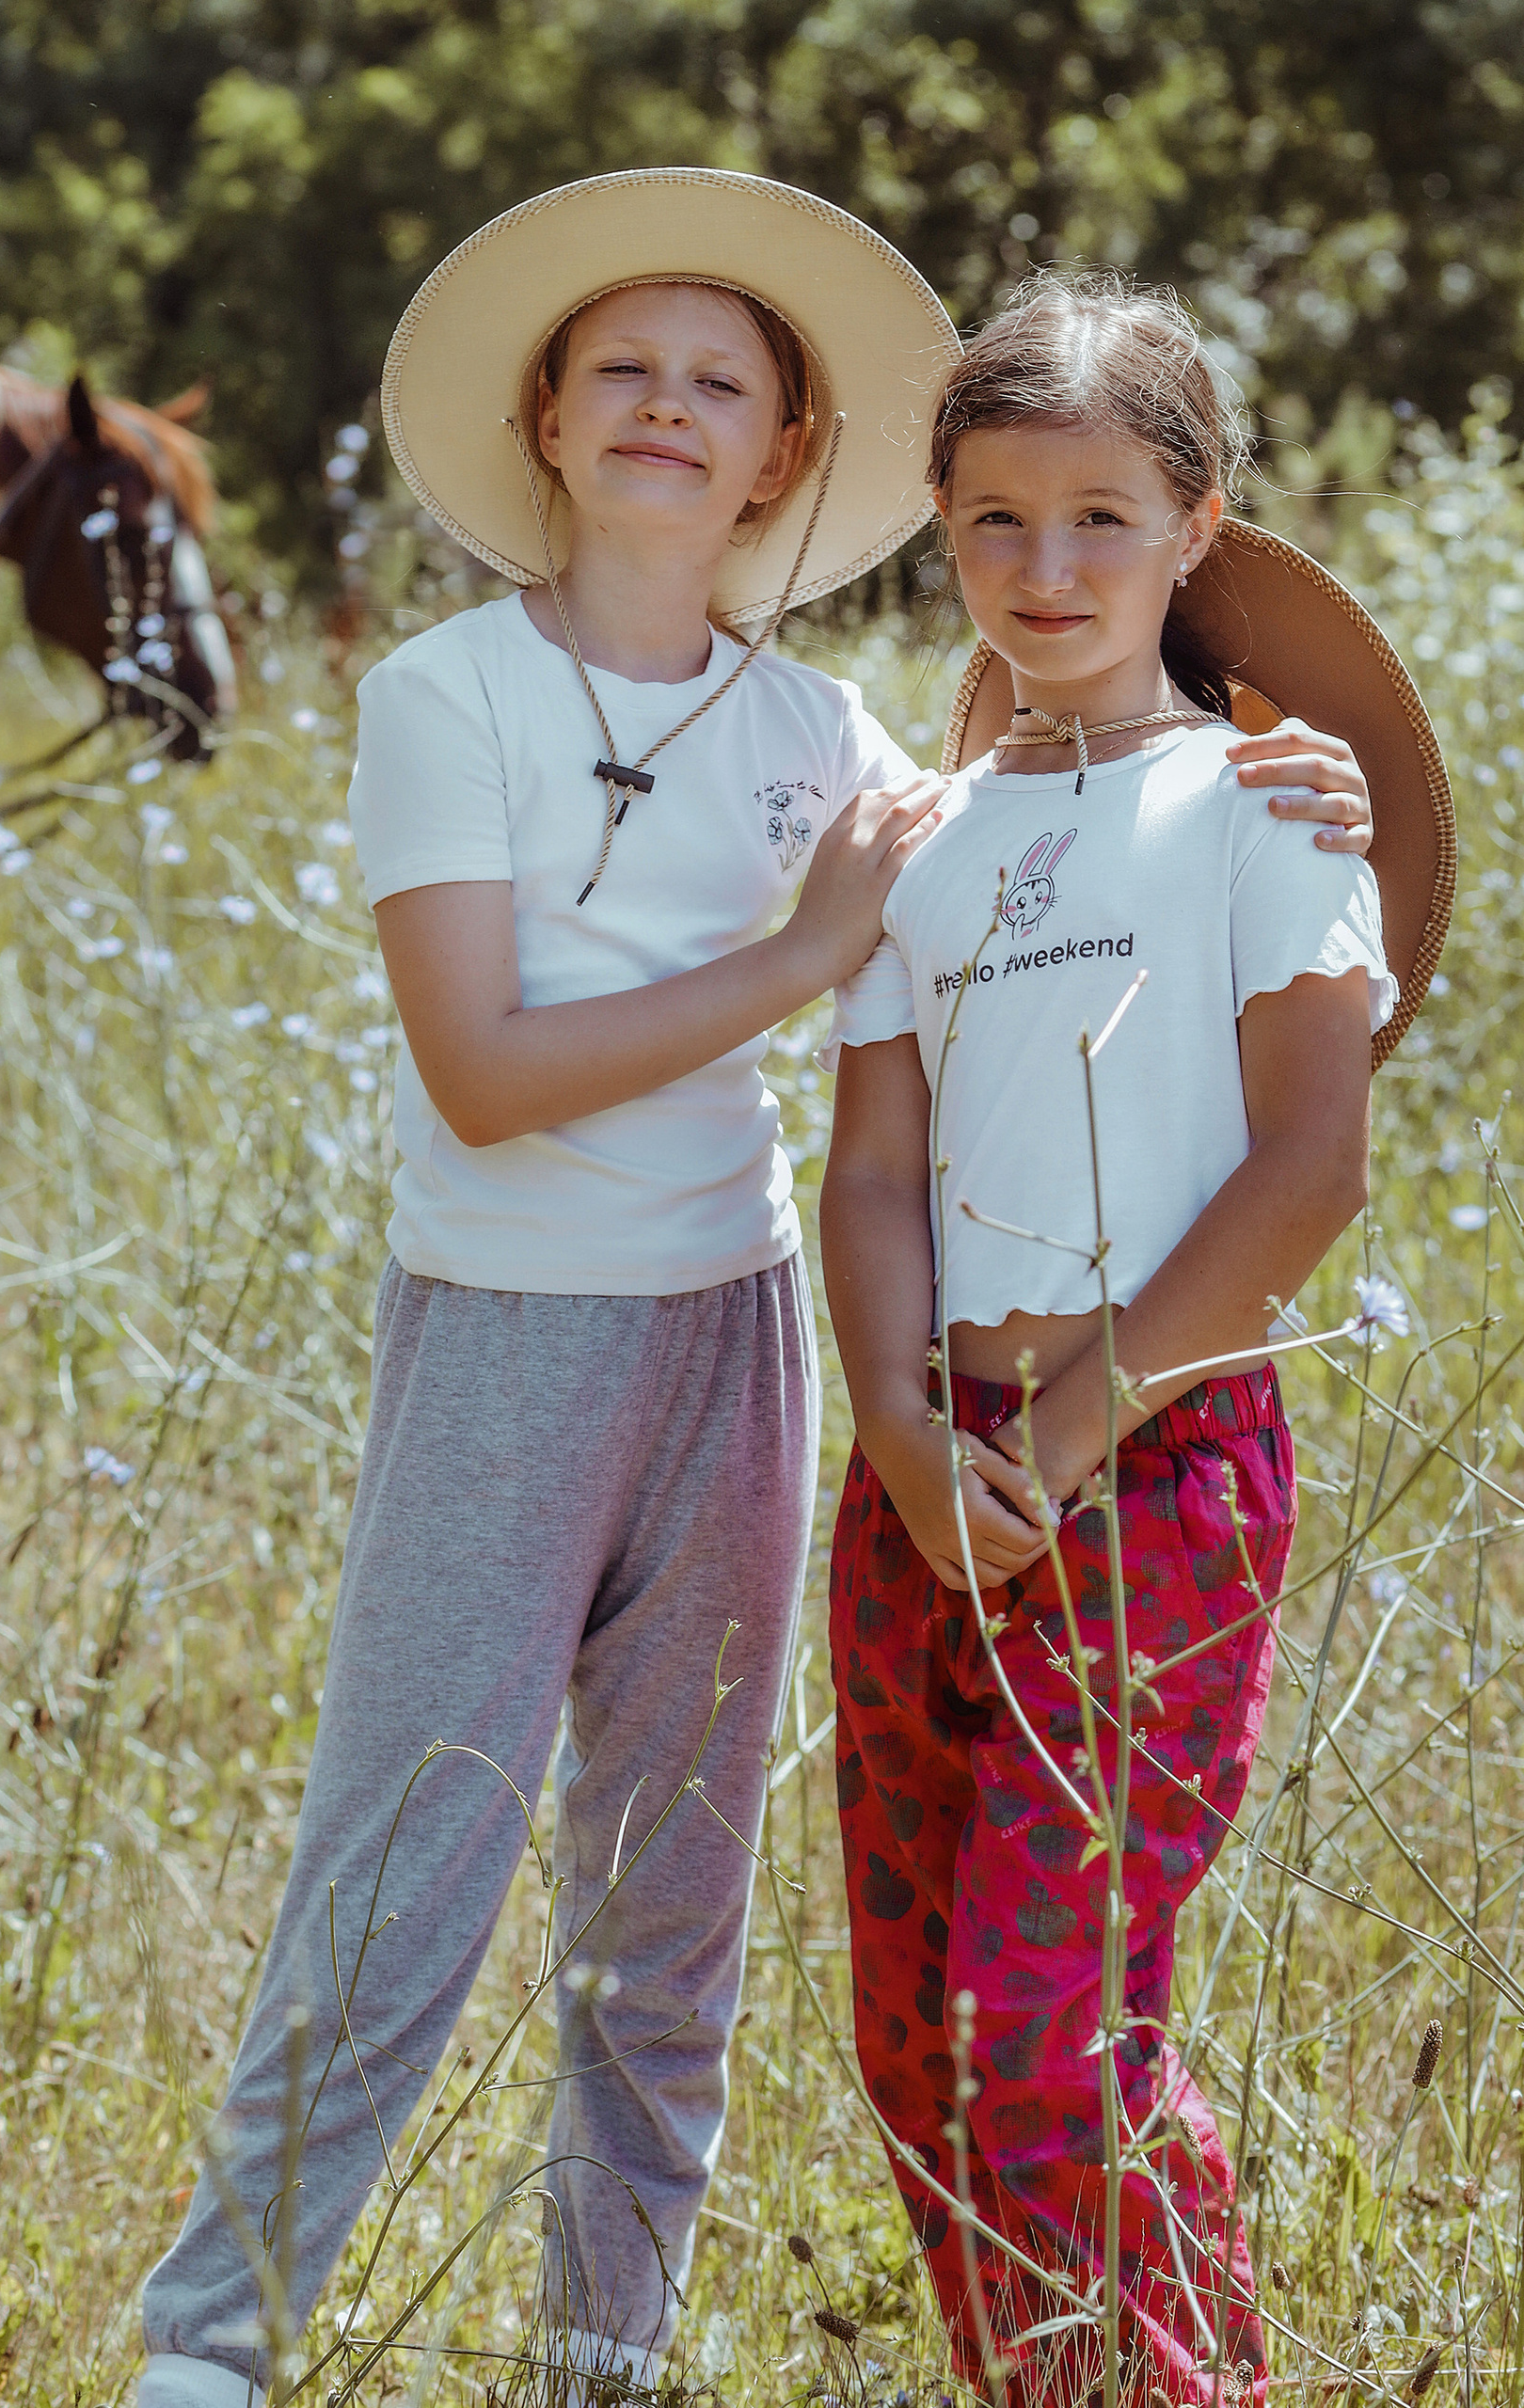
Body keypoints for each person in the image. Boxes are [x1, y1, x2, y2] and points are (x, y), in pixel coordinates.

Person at [135, 178, 1374, 2408]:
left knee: (675, 1888)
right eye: (623, 364)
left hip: (747, 1335)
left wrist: (1314, 751)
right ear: (540, 403)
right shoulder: (451, 693)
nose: (667, 407)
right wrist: (799, 969)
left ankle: (608, 2342)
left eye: (723, 380)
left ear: (787, 454)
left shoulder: (832, 738)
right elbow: (492, 1074)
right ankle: (210, 2349)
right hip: (519, 1325)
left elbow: (1092, 818)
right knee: (409, 1841)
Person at [819, 267, 1449, 2407]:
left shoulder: (1269, 808)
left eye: (1096, 515)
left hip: (1147, 1457)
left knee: (1050, 2028)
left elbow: (1305, 1174)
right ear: (937, 525)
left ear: (1194, 526)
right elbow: (872, 1170)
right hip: (921, 1466)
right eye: (992, 519)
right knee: (914, 2038)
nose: (1043, 566)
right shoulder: (921, 842)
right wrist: (902, 1433)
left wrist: (1071, 1427)